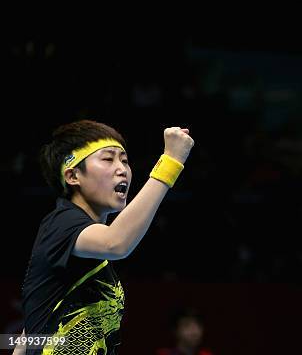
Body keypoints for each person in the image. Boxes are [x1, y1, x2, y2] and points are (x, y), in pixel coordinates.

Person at [14, 121, 194, 354]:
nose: (122, 169)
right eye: (108, 159)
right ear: (72, 176)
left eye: (125, 160)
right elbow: (116, 242)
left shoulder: (87, 257)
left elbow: (30, 334)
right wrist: (170, 162)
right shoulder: (60, 224)